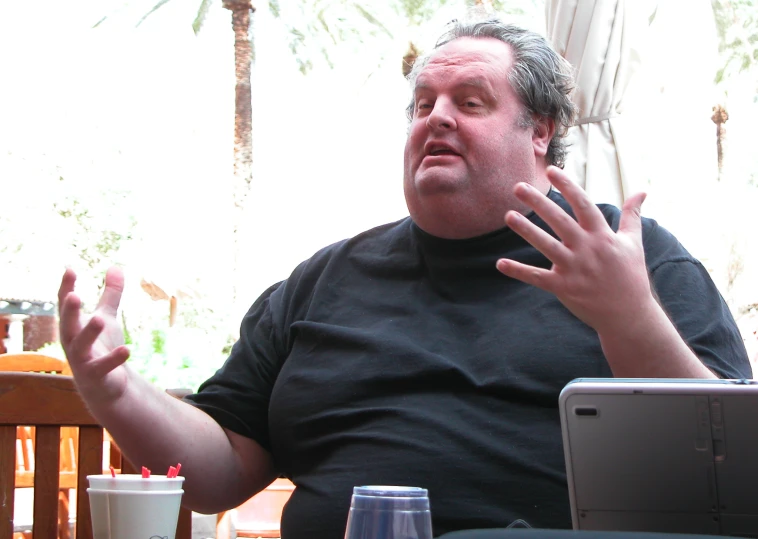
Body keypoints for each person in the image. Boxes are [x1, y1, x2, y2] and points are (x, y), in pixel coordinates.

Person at [57, 16, 751, 539]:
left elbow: (730, 476)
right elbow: (221, 473)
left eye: (471, 101)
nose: (436, 117)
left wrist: (628, 317)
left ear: (540, 131)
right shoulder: (322, 281)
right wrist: (115, 389)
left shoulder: (634, 259)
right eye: (423, 104)